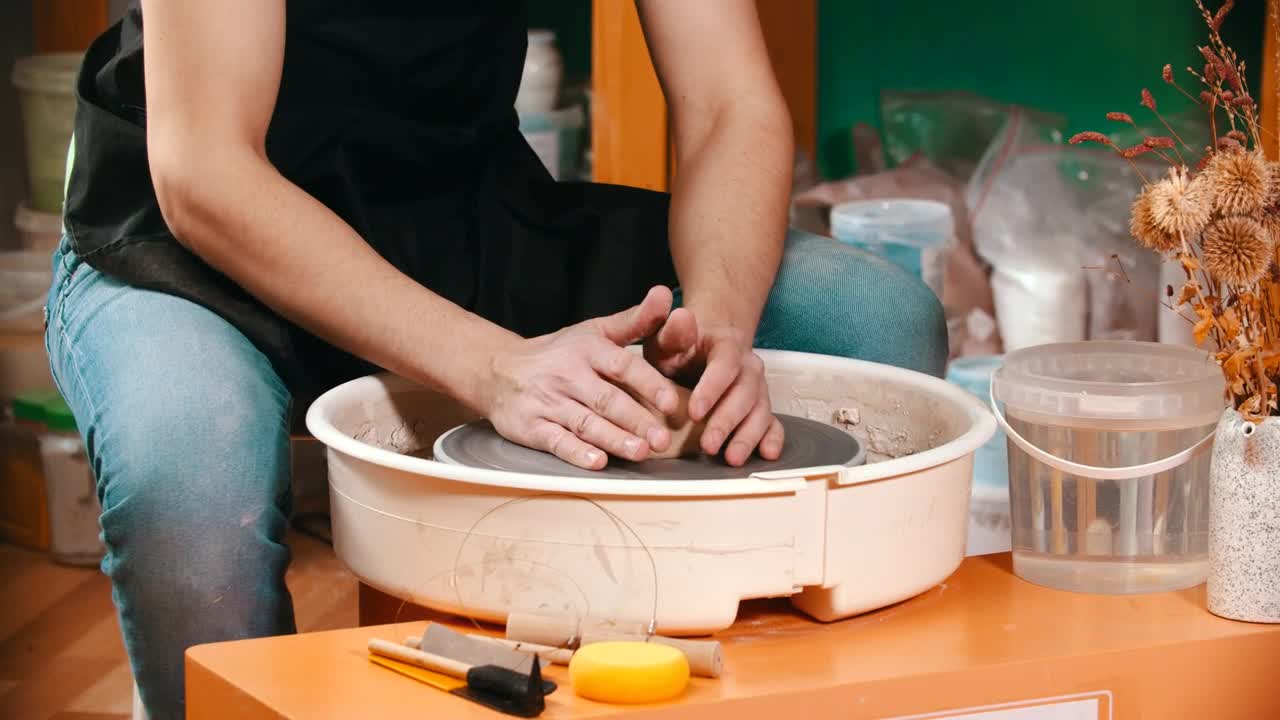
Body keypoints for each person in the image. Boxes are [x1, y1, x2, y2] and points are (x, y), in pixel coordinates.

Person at [47, 0, 946, 716]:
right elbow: (206, 174)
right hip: (191, 235)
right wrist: (493, 366)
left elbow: (728, 103)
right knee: (189, 482)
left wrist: (715, 329)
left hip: (455, 210)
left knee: (875, 323)